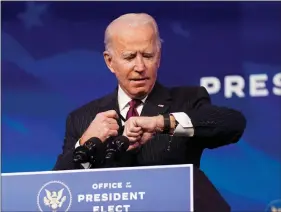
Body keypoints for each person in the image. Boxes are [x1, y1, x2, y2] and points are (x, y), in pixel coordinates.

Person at [53, 13, 246, 171]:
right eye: (129, 57)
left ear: (159, 57)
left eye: (147, 55)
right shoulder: (82, 118)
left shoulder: (187, 100)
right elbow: (57, 188)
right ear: (109, 62)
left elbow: (233, 124)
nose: (140, 66)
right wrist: (86, 142)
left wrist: (158, 123)